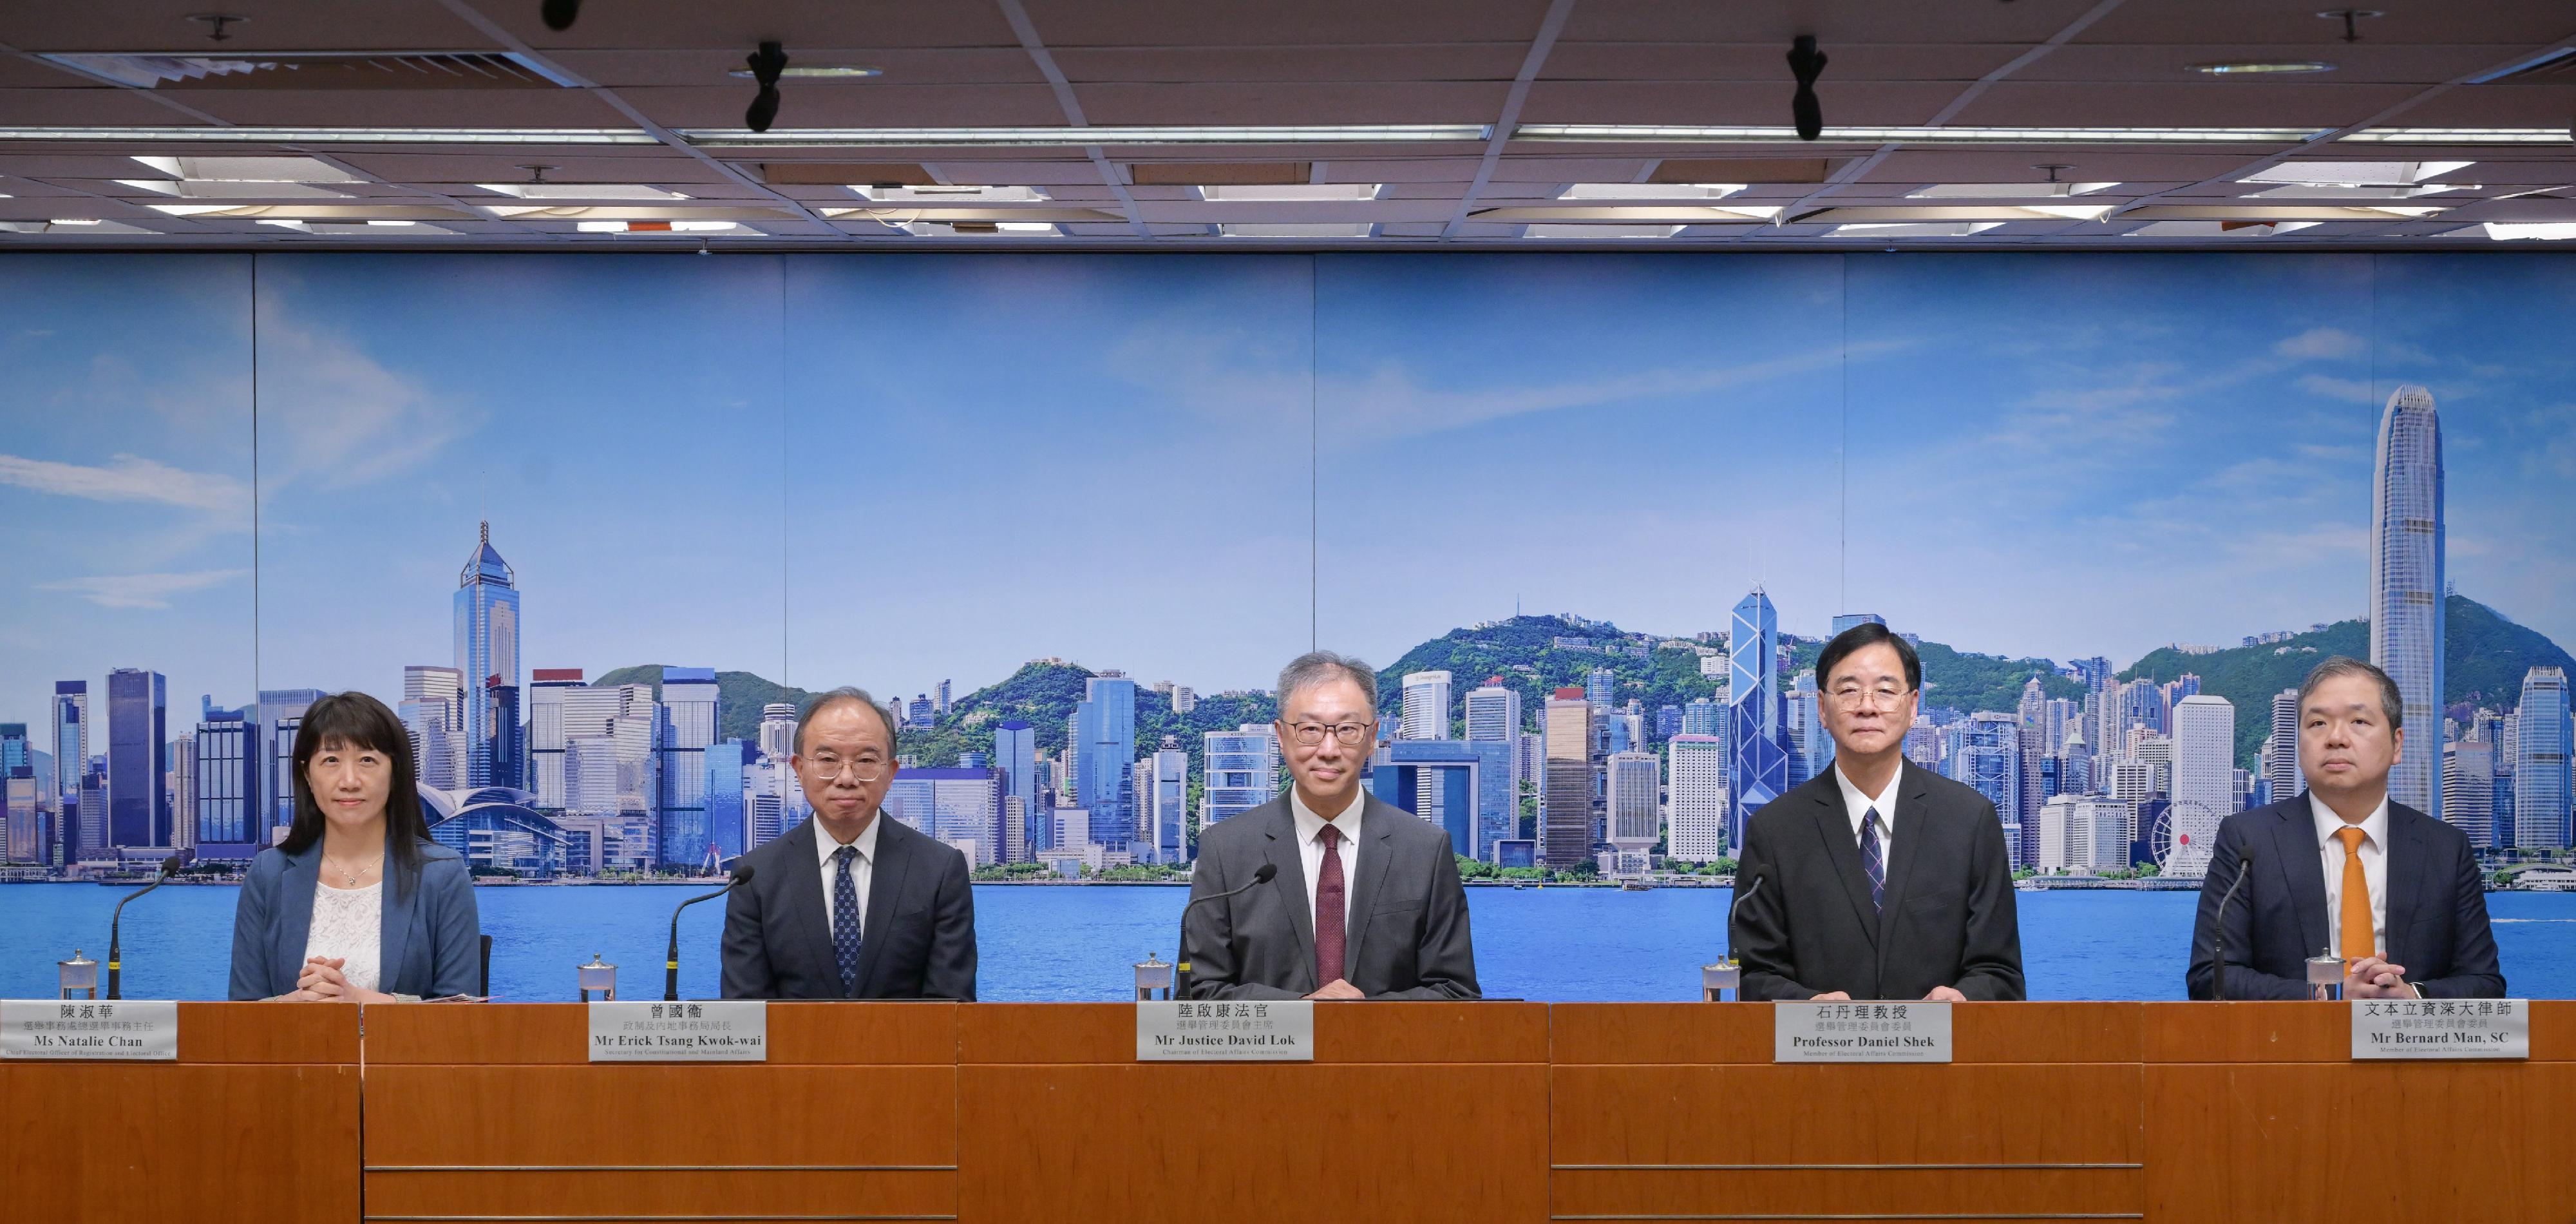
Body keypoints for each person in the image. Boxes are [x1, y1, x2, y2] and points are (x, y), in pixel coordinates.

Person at [1729, 622, 2025, 1001]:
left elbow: (2001, 973)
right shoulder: (1775, 830)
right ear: (1822, 707)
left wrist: (1963, 998)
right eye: (1849, 691)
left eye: (1886, 691)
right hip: (1815, 1056)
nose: (1867, 706)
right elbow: (1752, 976)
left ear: (1913, 705)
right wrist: (1807, 1006)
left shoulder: (1969, 821)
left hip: (1940, 1055)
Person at [2188, 656, 2504, 1000]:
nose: (2336, 738)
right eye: (2318, 723)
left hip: (2409, 1050)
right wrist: (2328, 999)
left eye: (2358, 721)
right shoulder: (2248, 841)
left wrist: (2410, 996)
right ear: (2299, 744)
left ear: (2397, 744)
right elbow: (2210, 978)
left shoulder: (2446, 848)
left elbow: (2484, 984)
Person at [1182, 650, 1479, 1000]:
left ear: (1372, 737)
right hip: (1267, 1054)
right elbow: (1199, 993)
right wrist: (1302, 1013)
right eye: (1309, 729)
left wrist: (1361, 1018)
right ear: (1280, 735)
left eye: (1348, 730)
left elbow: (1455, 992)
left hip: (1380, 1052)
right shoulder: (1226, 849)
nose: (1328, 749)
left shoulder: (1425, 849)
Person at [722, 687, 976, 1000]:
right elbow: (745, 1014)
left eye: (866, 760)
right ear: (799, 769)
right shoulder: (755, 876)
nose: (846, 778)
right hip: (793, 1050)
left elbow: (951, 1009)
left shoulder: (939, 870)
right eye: (827, 760)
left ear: (891, 772)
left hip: (907, 1049)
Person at [228, 692, 482, 1002]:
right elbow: (241, 1013)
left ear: (395, 772)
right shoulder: (269, 873)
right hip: (295, 1051)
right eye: (331, 761)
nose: (349, 780)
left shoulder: (442, 874)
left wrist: (355, 1002)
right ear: (307, 774)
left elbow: (462, 1017)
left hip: (400, 1052)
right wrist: (295, 1002)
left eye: (367, 761)